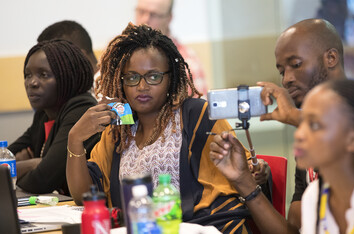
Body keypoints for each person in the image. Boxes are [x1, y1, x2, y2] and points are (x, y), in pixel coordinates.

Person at [66, 23, 269, 233]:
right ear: (121, 81)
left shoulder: (197, 116)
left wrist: (258, 170)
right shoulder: (119, 130)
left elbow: (244, 170)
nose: (142, 87)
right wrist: (75, 139)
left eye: (154, 77)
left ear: (170, 78)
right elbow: (84, 196)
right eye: (132, 77)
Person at [256, 18, 354, 230]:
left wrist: (300, 119)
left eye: (295, 65)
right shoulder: (315, 189)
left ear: (331, 58)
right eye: (282, 71)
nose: (286, 80)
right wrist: (247, 185)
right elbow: (296, 224)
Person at [210, 79, 354, 234]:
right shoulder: (316, 194)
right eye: (302, 122)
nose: (299, 133)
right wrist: (242, 179)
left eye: (314, 125)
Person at [8, 39, 100, 195]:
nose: (32, 83)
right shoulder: (44, 114)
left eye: (43, 75)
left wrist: (21, 168)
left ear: (67, 76)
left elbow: (41, 180)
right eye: (27, 75)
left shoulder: (81, 109)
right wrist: (32, 164)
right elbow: (7, 154)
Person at [135, 0, 208, 96]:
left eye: (153, 15)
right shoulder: (119, 54)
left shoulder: (187, 62)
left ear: (169, 18)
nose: (145, 19)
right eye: (141, 11)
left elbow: (199, 108)